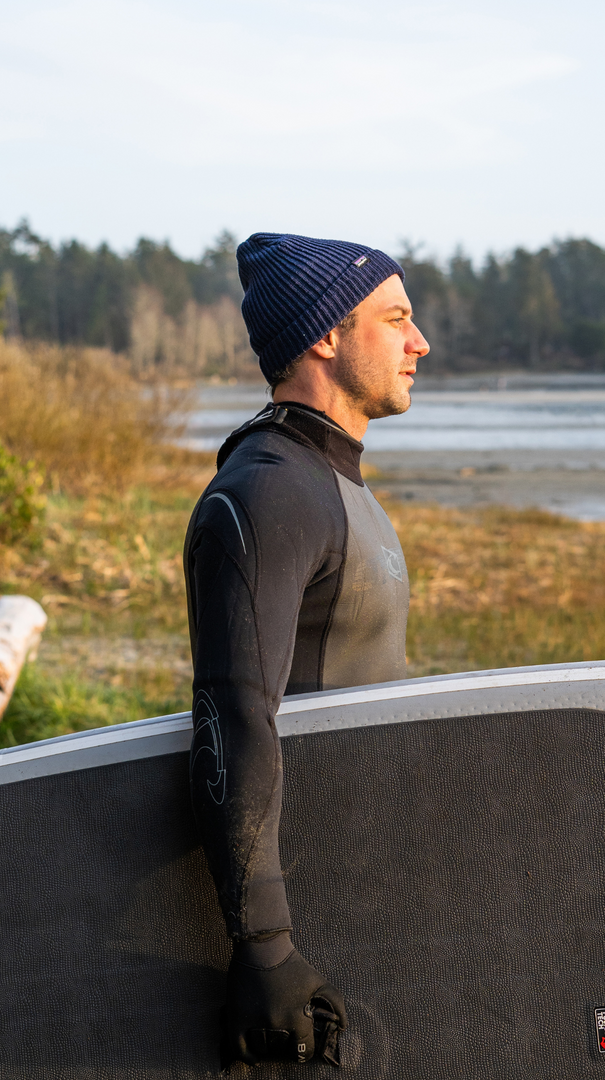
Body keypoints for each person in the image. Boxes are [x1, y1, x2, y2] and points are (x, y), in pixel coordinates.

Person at [182, 232, 430, 1068]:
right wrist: (264, 945)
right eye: (396, 319)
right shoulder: (272, 488)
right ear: (325, 335)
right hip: (307, 924)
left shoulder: (331, 479)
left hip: (368, 888)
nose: (419, 342)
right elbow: (234, 713)